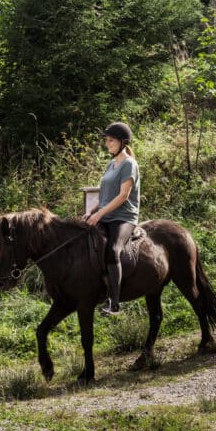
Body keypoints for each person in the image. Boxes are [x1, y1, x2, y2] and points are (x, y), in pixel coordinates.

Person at [84, 121, 140, 316]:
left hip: (124, 217)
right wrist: (92, 211)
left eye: (111, 141)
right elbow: (106, 195)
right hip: (106, 215)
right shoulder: (111, 164)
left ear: (122, 143)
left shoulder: (129, 164)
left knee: (113, 250)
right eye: (106, 140)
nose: (107, 144)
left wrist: (100, 214)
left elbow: (123, 195)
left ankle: (114, 303)